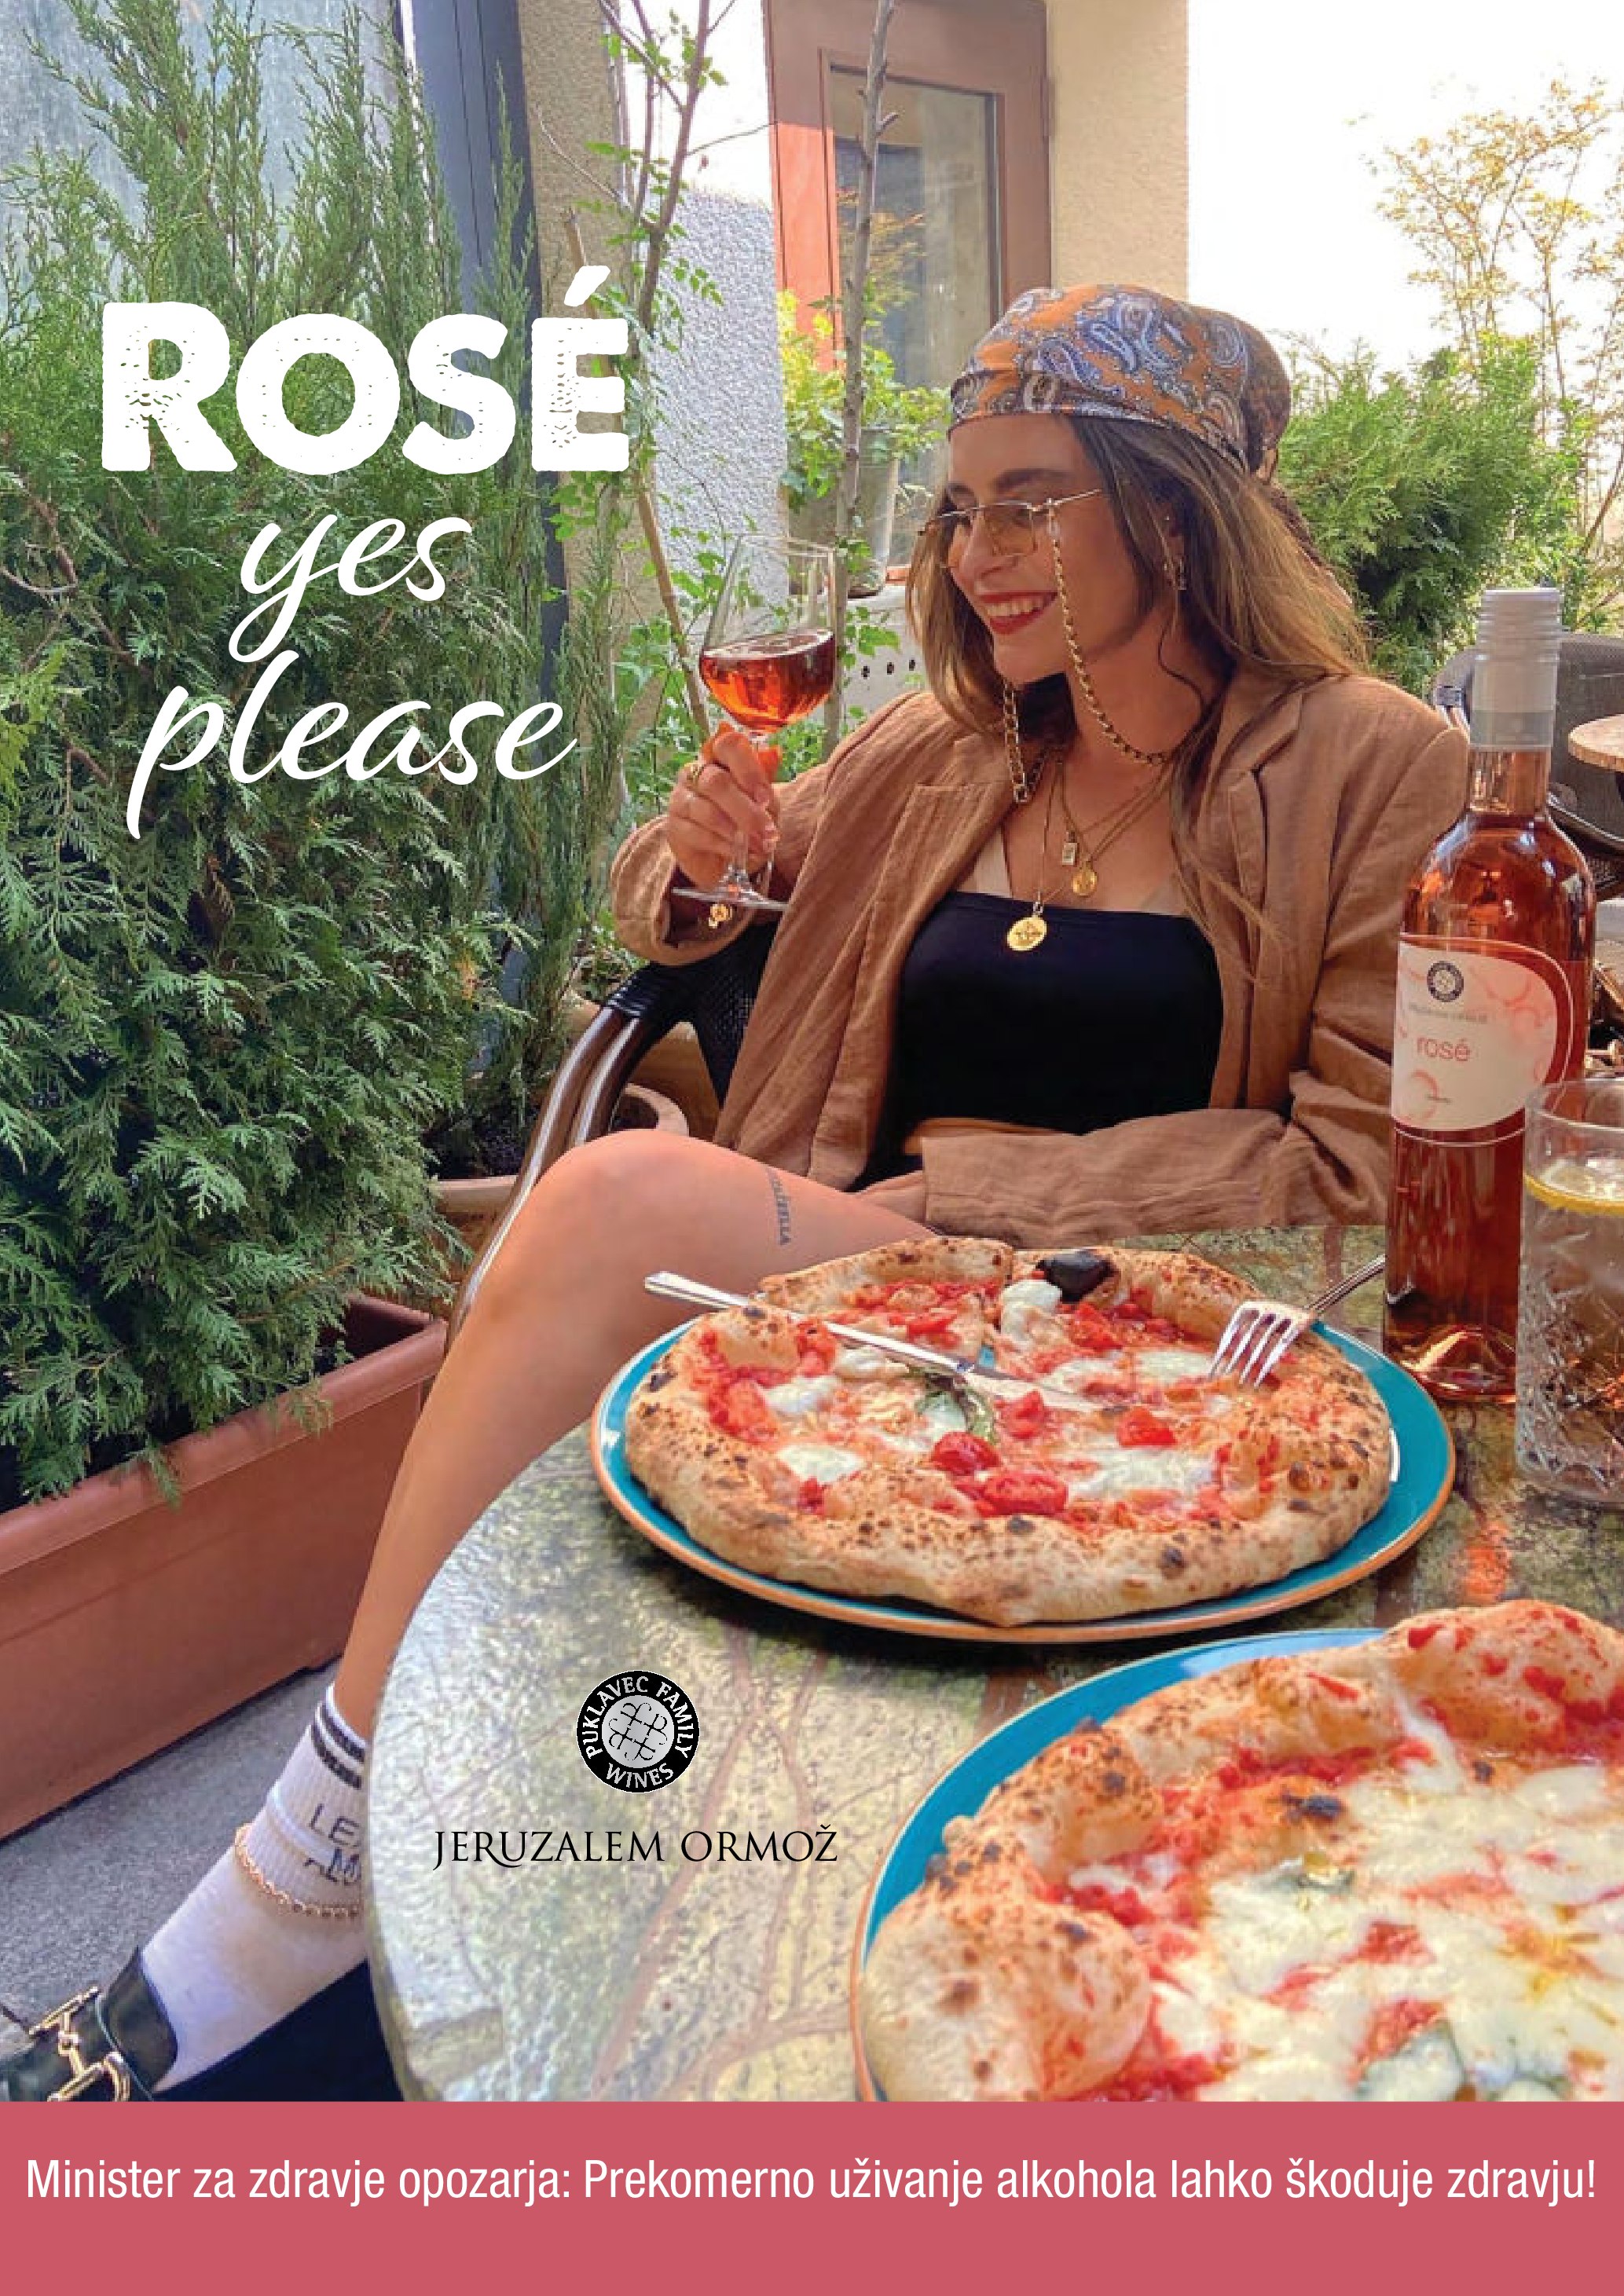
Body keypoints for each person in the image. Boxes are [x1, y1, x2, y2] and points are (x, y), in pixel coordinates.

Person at [2, 282, 1467, 2100]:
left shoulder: (1370, 762)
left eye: (1029, 499)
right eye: (958, 508)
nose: (974, 553)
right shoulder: (940, 745)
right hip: (859, 1354)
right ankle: (355, 1871)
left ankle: (298, 1882)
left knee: (618, 1203)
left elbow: (1359, 1165)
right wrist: (698, 861)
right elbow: (689, 904)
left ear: (1177, 513)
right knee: (616, 1228)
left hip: (1133, 1367)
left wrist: (963, 1206)